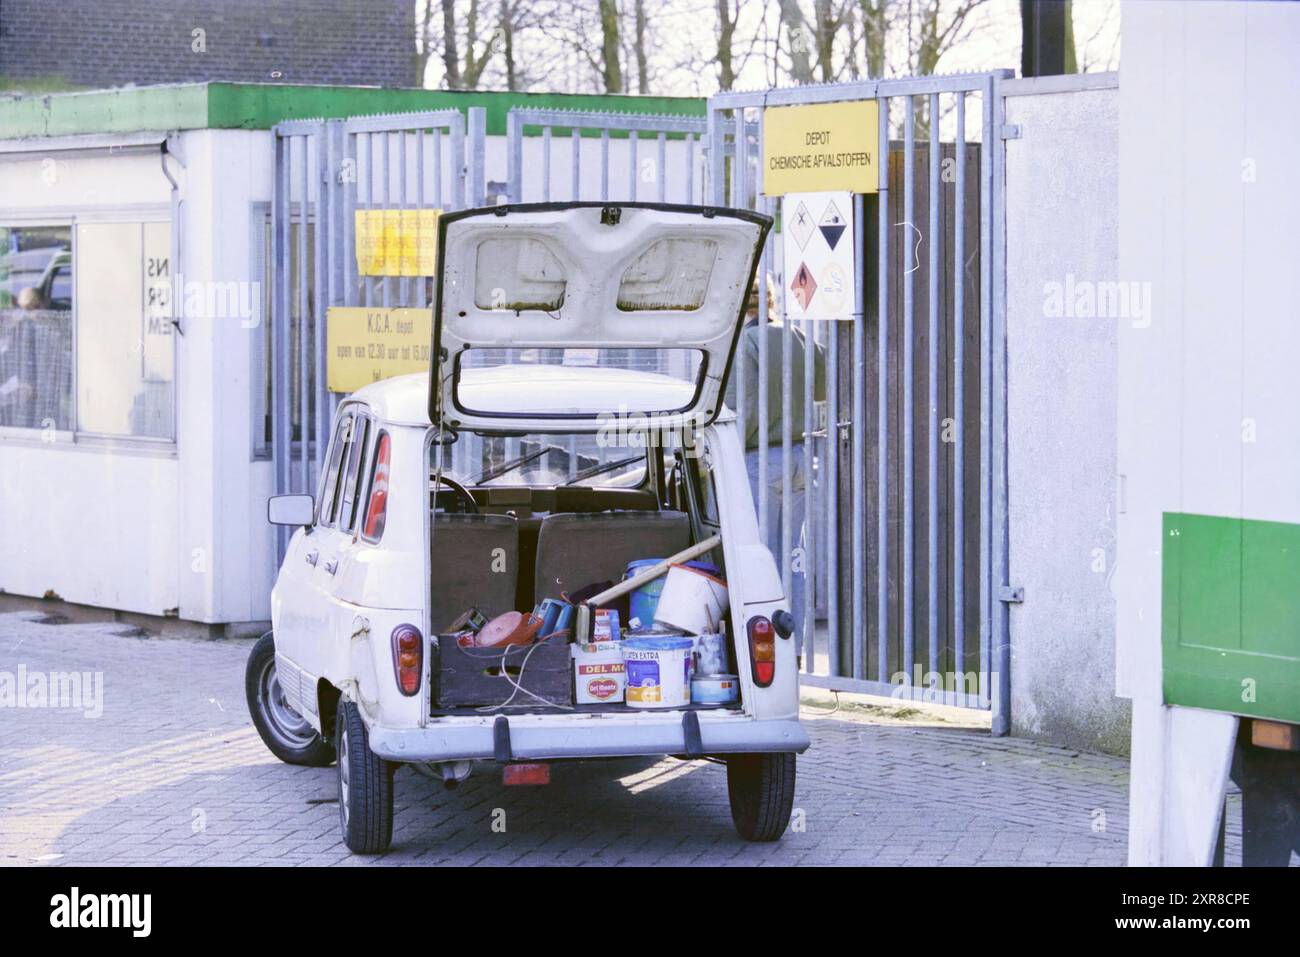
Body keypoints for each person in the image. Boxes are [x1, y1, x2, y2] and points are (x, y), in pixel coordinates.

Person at [723, 281, 826, 653]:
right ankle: (793, 646)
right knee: (792, 559)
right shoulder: (795, 335)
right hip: (800, 455)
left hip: (758, 460)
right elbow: (824, 383)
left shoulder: (743, 345)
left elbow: (743, 410)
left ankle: (762, 649)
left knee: (759, 558)